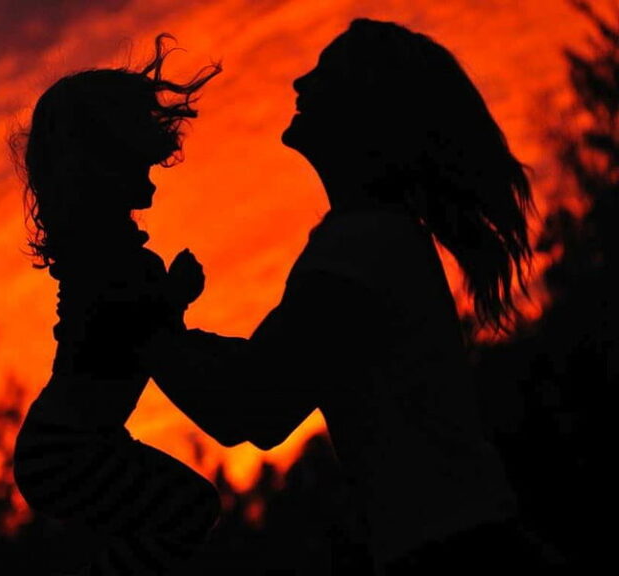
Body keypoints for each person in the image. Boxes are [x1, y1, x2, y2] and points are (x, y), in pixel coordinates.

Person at [144, 18, 570, 575]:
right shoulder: (376, 240)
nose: (299, 82)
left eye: (324, 73)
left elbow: (252, 406)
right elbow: (264, 371)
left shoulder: (362, 248)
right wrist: (166, 330)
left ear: (366, 111)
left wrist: (141, 329)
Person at [10, 34, 222, 575]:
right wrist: (174, 296)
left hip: (68, 444)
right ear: (103, 164)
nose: (153, 166)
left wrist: (169, 297)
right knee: (190, 509)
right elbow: (123, 327)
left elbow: (135, 337)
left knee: (173, 514)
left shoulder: (108, 256)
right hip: (68, 447)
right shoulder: (103, 259)